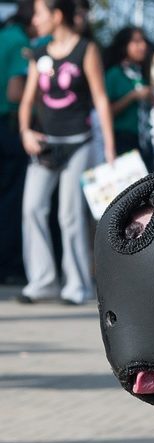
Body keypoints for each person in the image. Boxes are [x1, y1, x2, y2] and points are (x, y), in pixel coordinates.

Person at [17, 0, 114, 305]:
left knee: (69, 215)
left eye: (40, 13)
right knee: (32, 207)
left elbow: (100, 98)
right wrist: (25, 131)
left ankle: (76, 286)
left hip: (78, 142)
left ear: (57, 15)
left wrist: (109, 147)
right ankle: (42, 281)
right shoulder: (39, 52)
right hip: (46, 144)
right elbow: (27, 99)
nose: (35, 18)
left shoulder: (86, 49)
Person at [0, 0, 33, 285]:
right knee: (12, 202)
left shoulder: (3, 36)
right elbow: (14, 92)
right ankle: (8, 265)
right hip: (9, 129)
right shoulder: (20, 41)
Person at [104, 26, 154, 168]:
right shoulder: (114, 74)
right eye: (136, 42)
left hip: (144, 140)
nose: (143, 46)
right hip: (122, 140)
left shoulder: (139, 74)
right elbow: (106, 112)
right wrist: (132, 97)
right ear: (124, 46)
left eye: (143, 41)